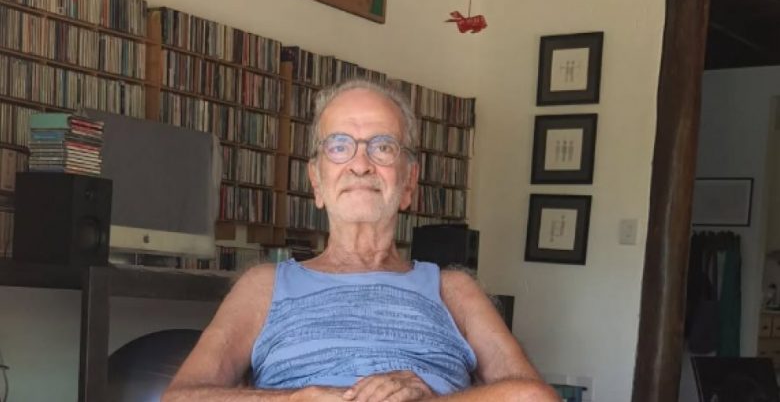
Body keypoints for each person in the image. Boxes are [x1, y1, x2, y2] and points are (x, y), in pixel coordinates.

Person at [162, 80, 558, 402]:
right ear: (316, 181)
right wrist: (296, 400)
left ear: (409, 183)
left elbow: (534, 397)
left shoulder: (454, 291)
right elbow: (181, 398)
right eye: (339, 146)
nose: (361, 164)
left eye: (382, 147)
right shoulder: (263, 286)